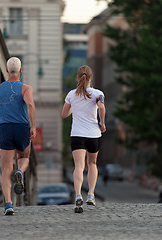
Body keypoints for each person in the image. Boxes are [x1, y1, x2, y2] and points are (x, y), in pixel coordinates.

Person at [0, 57, 36, 215]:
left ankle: (8, 204)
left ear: (7, 70)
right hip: (22, 129)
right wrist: (33, 126)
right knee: (24, 157)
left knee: (6, 169)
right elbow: (30, 105)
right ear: (21, 70)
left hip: (5, 129)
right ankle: (20, 171)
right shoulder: (26, 88)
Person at [61, 65, 106, 213]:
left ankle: (78, 195)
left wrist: (74, 108)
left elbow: (64, 114)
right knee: (92, 163)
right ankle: (91, 195)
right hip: (93, 134)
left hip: (77, 134)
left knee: (79, 166)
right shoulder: (98, 93)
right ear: (91, 78)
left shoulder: (71, 94)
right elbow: (101, 107)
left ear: (78, 78)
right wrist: (102, 122)